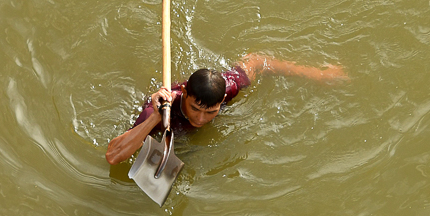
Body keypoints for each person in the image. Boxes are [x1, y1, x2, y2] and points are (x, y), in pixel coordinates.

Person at [106, 52, 347, 165]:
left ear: (222, 100)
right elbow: (113, 157)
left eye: (211, 112)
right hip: (163, 120)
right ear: (186, 95)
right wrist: (154, 119)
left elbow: (257, 61)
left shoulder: (229, 88)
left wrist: (318, 75)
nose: (201, 119)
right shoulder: (158, 111)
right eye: (195, 109)